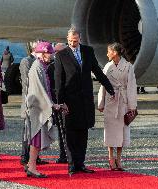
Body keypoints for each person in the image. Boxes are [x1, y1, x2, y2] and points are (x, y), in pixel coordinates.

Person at [54, 27, 115, 175]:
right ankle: (72, 165)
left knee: (83, 133)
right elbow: (58, 80)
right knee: (70, 134)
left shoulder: (88, 51)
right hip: (69, 101)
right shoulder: (61, 55)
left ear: (79, 39)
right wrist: (60, 102)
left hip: (85, 100)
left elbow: (97, 71)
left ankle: (81, 163)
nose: (72, 44)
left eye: (74, 41)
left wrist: (110, 88)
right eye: (69, 41)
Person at [98, 42, 137, 171]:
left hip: (123, 101)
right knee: (110, 130)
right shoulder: (107, 66)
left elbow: (131, 86)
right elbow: (103, 86)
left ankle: (119, 159)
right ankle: (110, 158)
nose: (107, 53)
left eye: (109, 51)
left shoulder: (128, 66)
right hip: (111, 101)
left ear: (115, 53)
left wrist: (132, 106)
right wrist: (101, 103)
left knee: (121, 132)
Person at [24, 41, 60, 178]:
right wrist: (52, 105)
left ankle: (30, 164)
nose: (51, 55)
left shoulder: (41, 66)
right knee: (36, 138)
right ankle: (32, 167)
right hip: (38, 109)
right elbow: (40, 90)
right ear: (43, 53)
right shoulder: (37, 67)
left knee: (36, 137)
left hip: (39, 108)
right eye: (49, 53)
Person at [19, 40, 49, 166]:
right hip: (31, 101)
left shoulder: (40, 63)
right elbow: (26, 83)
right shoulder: (27, 61)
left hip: (38, 103)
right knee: (29, 132)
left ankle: (34, 159)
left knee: (35, 132)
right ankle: (25, 157)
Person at [47, 43, 68, 164]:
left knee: (69, 131)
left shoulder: (71, 65)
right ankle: (63, 154)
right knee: (61, 130)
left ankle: (69, 154)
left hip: (69, 102)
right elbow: (50, 88)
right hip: (58, 104)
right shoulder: (51, 68)